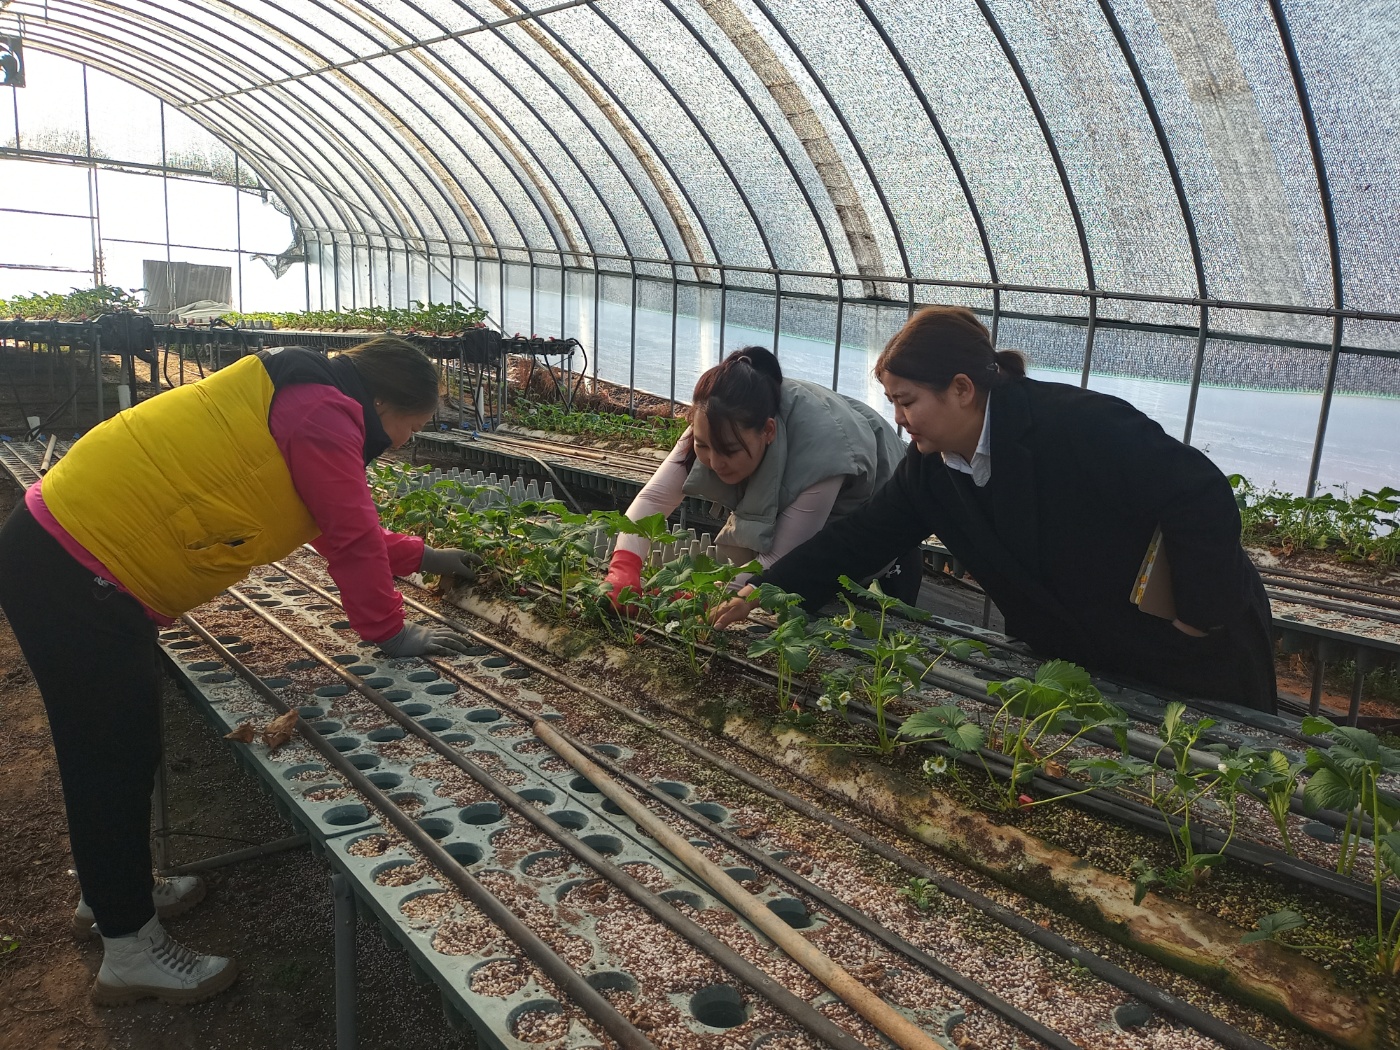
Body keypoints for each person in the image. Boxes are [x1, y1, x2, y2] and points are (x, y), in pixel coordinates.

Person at [0, 337, 476, 1006]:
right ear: (382, 404)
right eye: (410, 428)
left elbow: (333, 520)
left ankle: (112, 895)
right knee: (108, 757)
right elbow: (347, 534)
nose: (401, 443)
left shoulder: (308, 398)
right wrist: (390, 632)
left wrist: (425, 557)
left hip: (72, 561)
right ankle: (130, 950)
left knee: (120, 750)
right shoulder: (324, 416)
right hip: (78, 574)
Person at [712, 306, 1277, 713]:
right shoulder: (931, 472)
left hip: (1192, 652)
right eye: (893, 404)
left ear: (962, 389)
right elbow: (859, 539)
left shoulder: (1076, 424)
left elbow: (1200, 493)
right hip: (1088, 662)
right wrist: (768, 591)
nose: (899, 420)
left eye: (907, 402)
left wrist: (1197, 617)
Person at [602, 345, 915, 605]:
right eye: (704, 447)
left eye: (729, 451)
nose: (714, 461)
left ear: (767, 431)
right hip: (812, 488)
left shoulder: (824, 455)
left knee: (845, 610)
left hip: (882, 509)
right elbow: (655, 498)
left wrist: (698, 594)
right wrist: (624, 567)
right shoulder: (716, 419)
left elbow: (780, 562)